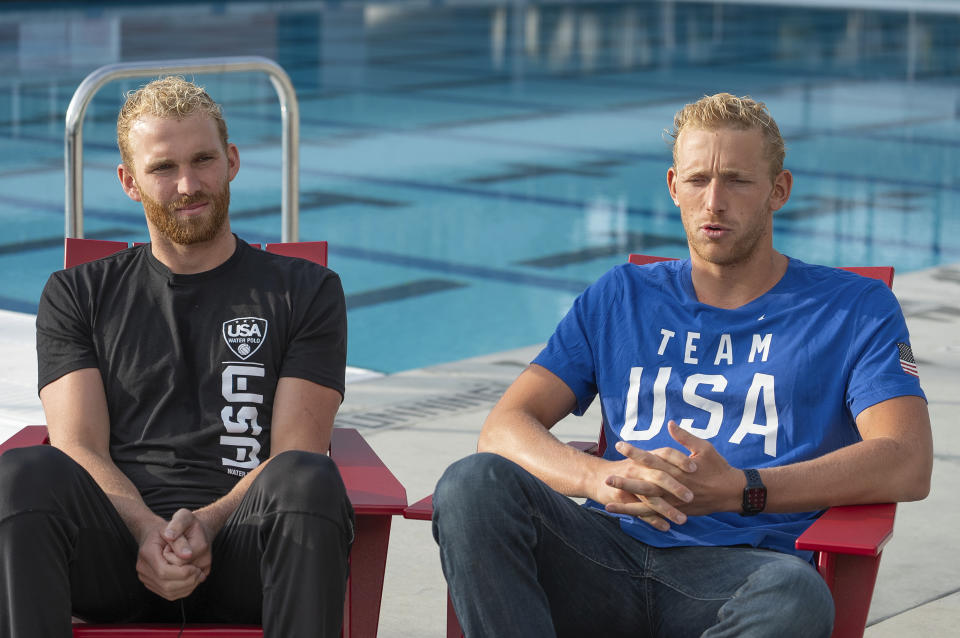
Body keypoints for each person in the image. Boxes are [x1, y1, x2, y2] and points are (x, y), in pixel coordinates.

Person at [432, 93, 933, 638]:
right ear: (674, 187)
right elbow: (503, 427)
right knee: (472, 483)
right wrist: (600, 478)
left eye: (737, 181)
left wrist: (743, 489)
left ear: (778, 191)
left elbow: (905, 459)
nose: (714, 202)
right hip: (605, 554)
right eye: (698, 181)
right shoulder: (621, 296)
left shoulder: (852, 308)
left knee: (793, 595)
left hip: (742, 572)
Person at [0, 77, 353, 637]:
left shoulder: (305, 292)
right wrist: (144, 529)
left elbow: (295, 450)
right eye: (163, 168)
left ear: (232, 161)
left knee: (308, 477)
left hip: (248, 550)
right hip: (115, 552)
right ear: (129, 182)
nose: (188, 185)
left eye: (203, 159)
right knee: (20, 474)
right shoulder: (77, 294)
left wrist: (210, 525)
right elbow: (78, 445)